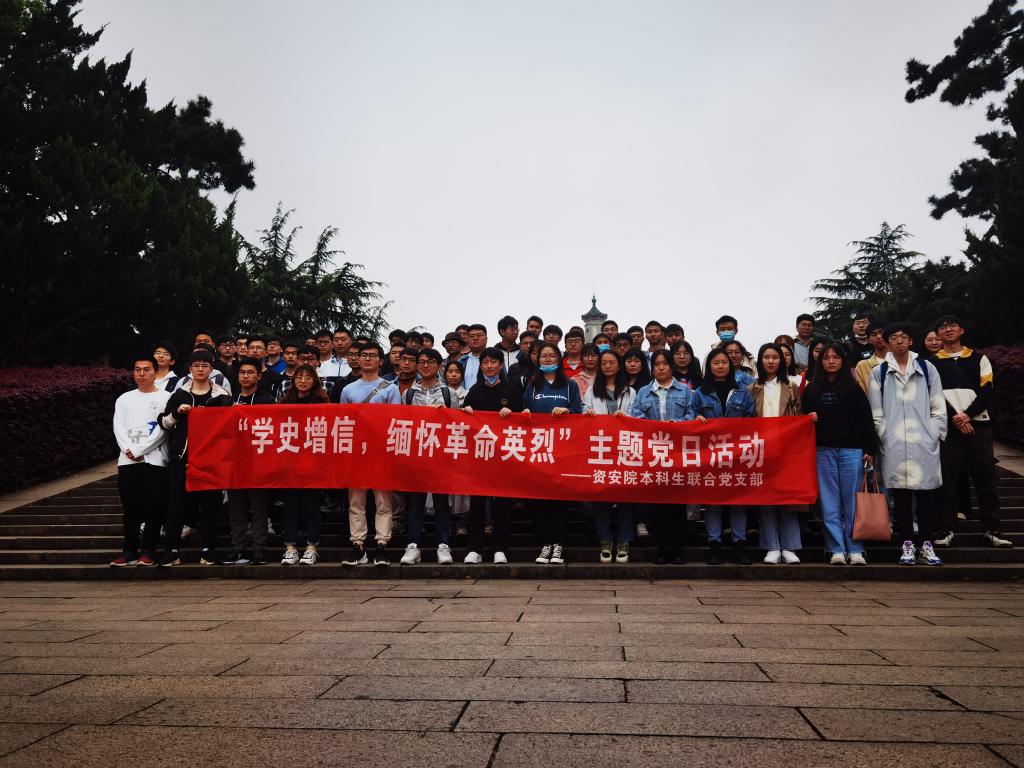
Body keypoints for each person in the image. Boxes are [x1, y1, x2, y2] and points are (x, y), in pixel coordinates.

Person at [868, 324, 947, 566]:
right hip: (894, 442)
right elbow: (876, 411)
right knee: (900, 497)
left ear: (911, 341)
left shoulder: (927, 368)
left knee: (926, 496)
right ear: (887, 342)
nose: (899, 341)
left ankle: (927, 544)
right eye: (894, 337)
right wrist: (884, 434)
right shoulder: (880, 372)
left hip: (923, 441)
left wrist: (934, 432)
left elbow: (938, 405)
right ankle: (907, 544)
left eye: (904, 337)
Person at [931, 315, 1012, 548]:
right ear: (937, 334)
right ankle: (944, 529)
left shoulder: (979, 358)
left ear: (962, 330)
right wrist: (956, 418)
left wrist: (967, 415)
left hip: (979, 426)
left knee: (986, 479)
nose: (948, 329)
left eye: (952, 325)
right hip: (948, 428)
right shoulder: (931, 363)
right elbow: (932, 396)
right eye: (942, 327)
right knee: (946, 481)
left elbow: (988, 390)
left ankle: (991, 529)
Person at [804, 342, 878, 565]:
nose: (831, 361)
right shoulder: (812, 389)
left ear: (843, 361)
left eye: (836, 357)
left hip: (851, 451)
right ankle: (835, 548)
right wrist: (809, 418)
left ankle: (855, 549)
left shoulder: (853, 388)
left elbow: (866, 419)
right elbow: (803, 418)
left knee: (852, 501)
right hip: (822, 451)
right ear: (820, 362)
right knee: (829, 502)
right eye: (826, 358)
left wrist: (870, 449)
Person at [158, 349, 232, 566]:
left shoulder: (222, 396)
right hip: (182, 457)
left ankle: (208, 550)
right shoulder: (179, 394)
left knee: (211, 505)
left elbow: (229, 428)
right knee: (175, 504)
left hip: (211, 460)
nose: (200, 369)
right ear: (190, 369)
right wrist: (177, 413)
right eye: (196, 366)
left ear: (211, 369)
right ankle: (171, 550)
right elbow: (164, 423)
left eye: (205, 366)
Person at [630, 348, 697, 564]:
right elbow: (636, 417)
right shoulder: (643, 392)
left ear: (672, 366)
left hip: (678, 454)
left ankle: (677, 550)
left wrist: (673, 425)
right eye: (656, 364)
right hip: (654, 454)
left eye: (665, 364)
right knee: (658, 505)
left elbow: (691, 415)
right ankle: (662, 549)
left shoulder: (685, 391)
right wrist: (656, 427)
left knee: (677, 504)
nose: (660, 368)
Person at [339, 343, 401, 566]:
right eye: (363, 355)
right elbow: (344, 422)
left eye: (372, 355)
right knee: (356, 501)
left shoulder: (390, 389)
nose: (367, 359)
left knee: (383, 501)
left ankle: (382, 544)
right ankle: (358, 545)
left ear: (380, 361)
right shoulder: (348, 390)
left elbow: (395, 420)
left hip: (381, 451)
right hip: (356, 452)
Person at [462, 347, 525, 563]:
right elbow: (463, 424)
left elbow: (523, 422)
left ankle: (500, 548)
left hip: (504, 456)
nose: (489, 366)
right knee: (477, 504)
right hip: (480, 456)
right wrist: (466, 413)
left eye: (493, 362)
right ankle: (475, 549)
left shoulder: (512, 390)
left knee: (503, 504)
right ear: (480, 366)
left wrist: (513, 415)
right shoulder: (474, 391)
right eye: (485, 362)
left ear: (501, 365)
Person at [693, 347, 756, 564]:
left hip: (737, 454)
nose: (720, 366)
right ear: (709, 367)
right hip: (709, 454)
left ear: (731, 365)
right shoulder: (699, 393)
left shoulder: (742, 392)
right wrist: (696, 419)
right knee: (712, 502)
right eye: (716, 363)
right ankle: (715, 545)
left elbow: (751, 418)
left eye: (724, 362)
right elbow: (691, 415)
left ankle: (739, 544)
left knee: (738, 501)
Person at [400, 348, 462, 566]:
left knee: (441, 502)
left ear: (439, 365)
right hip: (417, 455)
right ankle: (413, 545)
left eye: (430, 362)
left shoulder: (449, 394)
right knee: (415, 502)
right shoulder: (408, 394)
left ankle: (443, 545)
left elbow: (457, 425)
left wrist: (446, 414)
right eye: (422, 362)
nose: (425, 366)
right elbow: (404, 424)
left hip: (440, 455)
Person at [524, 343, 583, 564]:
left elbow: (578, 413)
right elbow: (524, 411)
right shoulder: (532, 386)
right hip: (540, 450)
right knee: (542, 501)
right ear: (538, 360)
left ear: (559, 358)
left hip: (562, 450)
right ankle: (545, 544)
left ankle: (558, 545)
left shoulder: (570, 385)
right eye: (544, 356)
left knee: (559, 500)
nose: (547, 359)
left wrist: (567, 411)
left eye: (551, 356)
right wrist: (525, 413)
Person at [110, 354, 171, 567]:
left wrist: (140, 450)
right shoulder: (124, 399)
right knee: (130, 508)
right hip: (127, 461)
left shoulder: (166, 397)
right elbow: (118, 426)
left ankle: (148, 551)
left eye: (146, 370)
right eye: (138, 370)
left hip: (155, 460)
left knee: (153, 507)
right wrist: (129, 450)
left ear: (155, 372)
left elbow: (164, 428)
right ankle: (129, 550)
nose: (142, 374)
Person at [749, 344, 804, 564]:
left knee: (788, 497)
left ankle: (790, 546)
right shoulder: (753, 388)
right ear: (760, 361)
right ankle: (771, 546)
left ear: (782, 360)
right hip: (762, 449)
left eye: (775, 357)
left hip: (787, 449)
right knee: (767, 498)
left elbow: (799, 416)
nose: (771, 361)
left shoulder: (792, 386)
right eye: (766, 357)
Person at [223, 358, 274, 565]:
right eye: (242, 372)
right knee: (236, 508)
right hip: (233, 462)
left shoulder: (267, 400)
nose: (245, 376)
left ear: (259, 376)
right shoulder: (228, 401)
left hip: (257, 462)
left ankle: (259, 550)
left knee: (259, 508)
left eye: (250, 372)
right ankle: (238, 549)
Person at [854, 320, 888, 393]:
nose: (879, 336)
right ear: (869, 340)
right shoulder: (863, 366)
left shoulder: (902, 359)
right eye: (874, 335)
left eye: (881, 332)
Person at [460, 323, 488, 389]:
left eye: (479, 335)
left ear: (486, 339)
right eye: (472, 336)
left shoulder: (495, 359)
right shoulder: (461, 361)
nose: (475, 338)